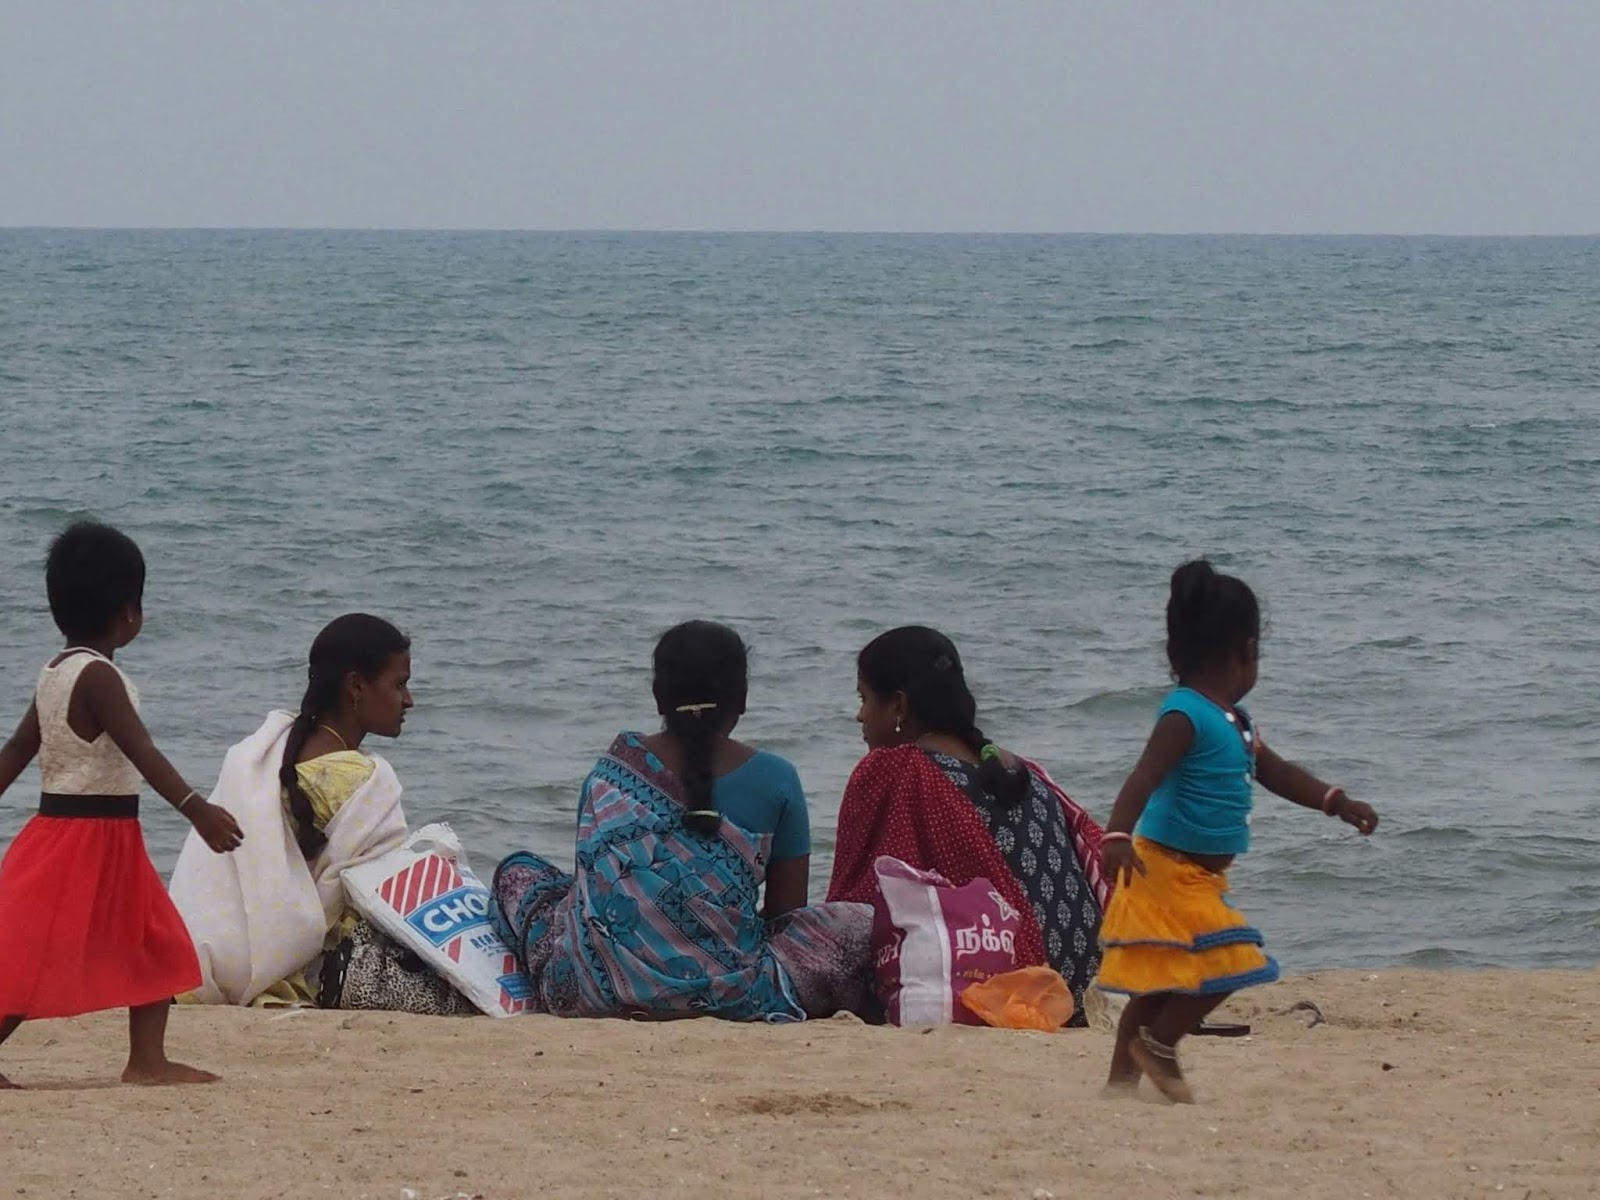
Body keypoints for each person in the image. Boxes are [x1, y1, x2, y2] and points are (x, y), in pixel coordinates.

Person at [1096, 560, 1380, 1103]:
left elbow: (1276, 772)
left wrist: (1334, 801)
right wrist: (1115, 836)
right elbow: (1144, 776)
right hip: (1163, 869)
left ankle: (1121, 1088)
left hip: (1194, 877)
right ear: (1247, 650)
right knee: (1232, 961)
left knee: (1159, 984)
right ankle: (1157, 1048)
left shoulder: (1237, 721)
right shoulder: (1184, 715)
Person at [492, 620, 873, 1021]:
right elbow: (785, 914)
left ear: (658, 698)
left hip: (590, 993)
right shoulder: (778, 778)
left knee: (518, 874)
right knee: (858, 924)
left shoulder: (609, 775)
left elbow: (589, 893)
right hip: (733, 996)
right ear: (742, 698)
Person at [0, 522, 243, 1088]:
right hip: (85, 838)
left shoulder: (54, 672)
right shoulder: (99, 677)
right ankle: (146, 1061)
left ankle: (147, 1060)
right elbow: (144, 752)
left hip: (89, 834)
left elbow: (16, 750)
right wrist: (198, 810)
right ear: (129, 612)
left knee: (155, 939)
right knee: (37, 950)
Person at [170, 613, 470, 1014]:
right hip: (311, 965)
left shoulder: (263, 751)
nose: (409, 700)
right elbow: (379, 896)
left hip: (216, 946)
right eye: (400, 684)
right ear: (356, 686)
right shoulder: (364, 779)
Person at [827, 626, 1109, 1022]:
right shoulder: (1019, 771)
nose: (860, 715)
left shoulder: (895, 770)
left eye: (865, 699)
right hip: (1079, 985)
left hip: (1014, 988)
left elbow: (862, 903)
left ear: (899, 707)